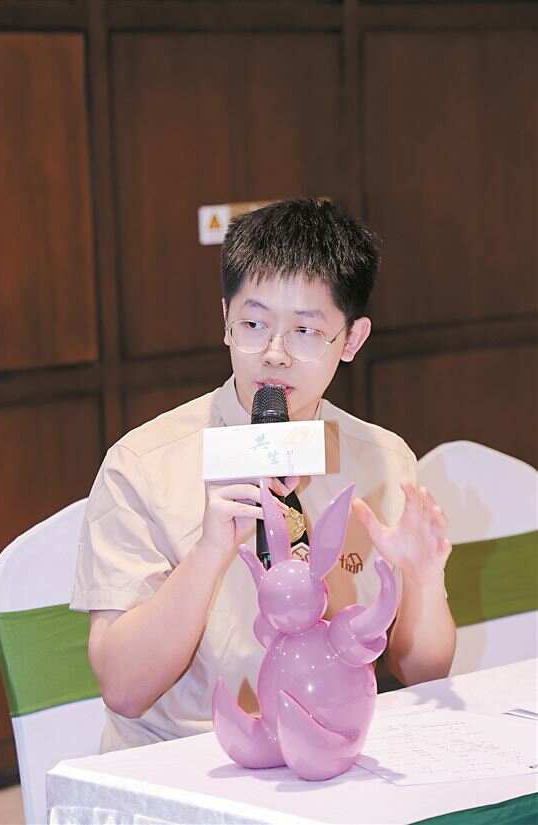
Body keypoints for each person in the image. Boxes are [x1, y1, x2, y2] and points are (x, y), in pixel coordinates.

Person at [71, 198, 456, 752]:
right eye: (253, 324)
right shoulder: (143, 463)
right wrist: (209, 552)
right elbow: (123, 690)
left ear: (352, 339)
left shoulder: (382, 458)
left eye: (305, 331)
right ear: (225, 321)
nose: (274, 354)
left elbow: (423, 672)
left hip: (331, 750)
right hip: (185, 756)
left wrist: (423, 578)